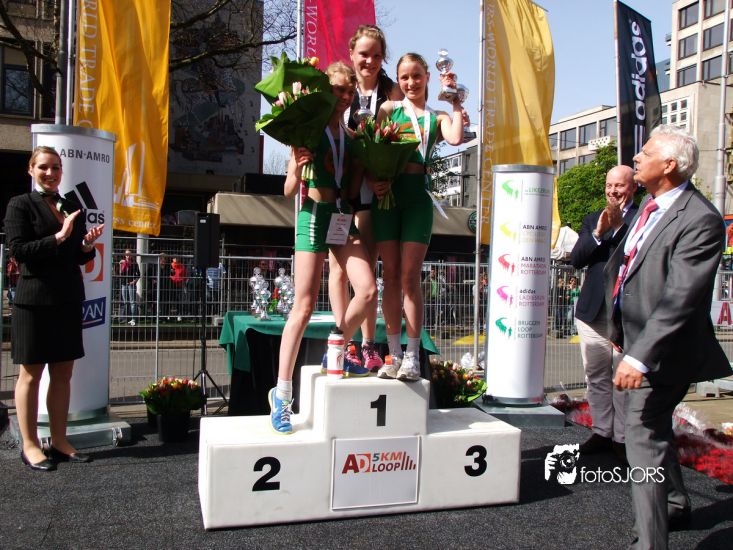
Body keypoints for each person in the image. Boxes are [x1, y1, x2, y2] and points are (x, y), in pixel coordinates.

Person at [605, 125, 732, 549]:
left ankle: (651, 543)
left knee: (641, 435)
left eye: (645, 153)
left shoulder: (700, 219)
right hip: (636, 341)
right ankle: (675, 503)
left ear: (669, 165)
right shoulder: (650, 205)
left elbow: (681, 298)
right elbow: (629, 269)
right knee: (653, 429)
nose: (636, 158)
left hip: (663, 354)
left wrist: (639, 356)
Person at [269, 61, 377, 434]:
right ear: (324, 91)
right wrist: (296, 168)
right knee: (302, 306)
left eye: (349, 91)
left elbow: (352, 186)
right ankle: (282, 395)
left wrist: (368, 173)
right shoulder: (309, 130)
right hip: (312, 216)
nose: (344, 97)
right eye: (337, 90)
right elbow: (288, 191)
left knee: (367, 290)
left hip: (340, 217)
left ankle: (337, 344)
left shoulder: (351, 135)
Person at [3, 145, 104, 471]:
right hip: (33, 300)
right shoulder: (20, 204)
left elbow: (78, 257)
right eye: (43, 167)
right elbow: (19, 251)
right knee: (31, 375)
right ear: (31, 170)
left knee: (63, 373)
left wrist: (86, 245)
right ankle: (31, 445)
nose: (50, 173)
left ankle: (60, 441)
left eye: (56, 167)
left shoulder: (72, 206)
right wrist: (59, 237)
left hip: (67, 298)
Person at [370, 52, 465, 381]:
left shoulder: (437, 117)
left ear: (427, 77)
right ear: (398, 80)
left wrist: (455, 101)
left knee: (410, 278)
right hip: (388, 198)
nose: (411, 82)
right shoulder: (388, 109)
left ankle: (412, 355)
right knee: (390, 277)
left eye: (416, 76)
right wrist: (375, 180)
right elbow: (374, 150)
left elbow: (455, 138)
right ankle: (393, 355)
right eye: (405, 77)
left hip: (417, 200)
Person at [328, 24, 404, 373]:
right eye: (363, 54)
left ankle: (367, 344)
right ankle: (343, 343)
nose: (369, 61)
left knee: (368, 270)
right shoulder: (340, 89)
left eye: (376, 55)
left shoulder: (391, 91)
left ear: (383, 57)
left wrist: (381, 174)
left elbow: (401, 137)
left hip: (375, 194)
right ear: (352, 54)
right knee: (338, 270)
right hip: (342, 192)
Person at [570, 164, 638, 459]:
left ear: (633, 187)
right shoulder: (592, 219)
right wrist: (598, 232)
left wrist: (620, 226)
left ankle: (621, 439)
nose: (613, 191)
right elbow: (577, 259)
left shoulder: (643, 218)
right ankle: (601, 432)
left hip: (625, 313)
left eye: (619, 186)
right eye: (609, 186)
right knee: (596, 376)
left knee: (622, 379)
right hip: (592, 313)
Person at [119, 249, 140, 325]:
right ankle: (126, 318)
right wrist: (121, 265)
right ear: (125, 255)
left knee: (132, 302)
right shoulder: (122, 263)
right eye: (127, 254)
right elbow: (120, 273)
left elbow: (138, 274)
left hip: (131, 284)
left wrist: (134, 281)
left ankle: (133, 319)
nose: (128, 256)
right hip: (124, 284)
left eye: (129, 254)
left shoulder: (134, 263)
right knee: (125, 302)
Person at [170, 257, 188, 321]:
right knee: (171, 299)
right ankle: (168, 315)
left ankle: (179, 314)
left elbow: (185, 275)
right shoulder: (171, 265)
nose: (176, 259)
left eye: (177, 258)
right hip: (172, 285)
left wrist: (184, 284)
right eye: (175, 258)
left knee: (179, 300)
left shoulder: (182, 266)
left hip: (180, 285)